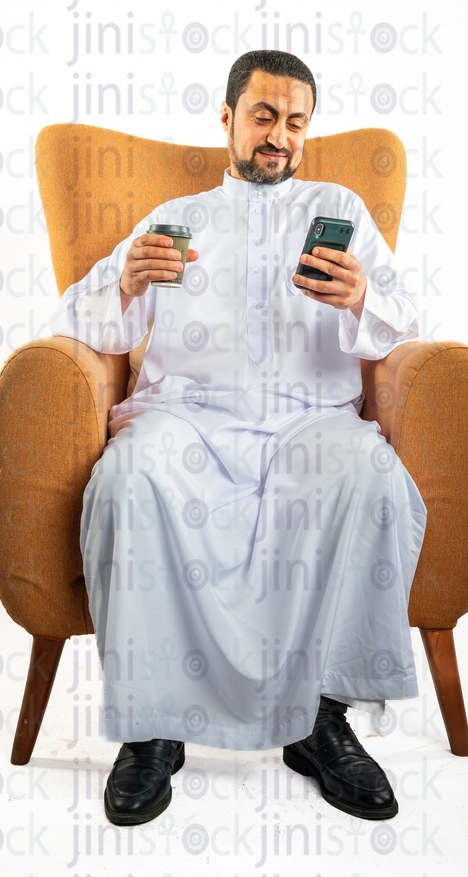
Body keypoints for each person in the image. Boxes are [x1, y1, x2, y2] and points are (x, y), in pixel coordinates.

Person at [50, 49, 427, 826]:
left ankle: (322, 719)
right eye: (263, 116)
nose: (279, 136)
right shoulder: (174, 220)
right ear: (227, 118)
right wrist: (124, 282)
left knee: (374, 475)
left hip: (309, 426)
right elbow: (83, 322)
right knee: (129, 478)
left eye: (294, 122)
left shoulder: (341, 208)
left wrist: (363, 296)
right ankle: (151, 727)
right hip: (189, 421)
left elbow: (403, 322)